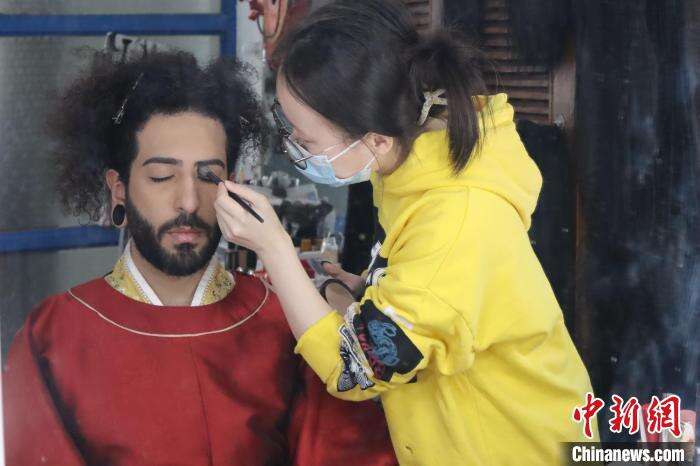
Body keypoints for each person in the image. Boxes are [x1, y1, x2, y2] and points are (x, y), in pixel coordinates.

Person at [212, 0, 599, 464]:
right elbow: (433, 303)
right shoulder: (411, 171)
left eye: (307, 140)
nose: (295, 147)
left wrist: (274, 247)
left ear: (376, 139)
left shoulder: (456, 221)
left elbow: (354, 369)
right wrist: (370, 294)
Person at [2, 50, 396, 466]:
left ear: (232, 186)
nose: (188, 201)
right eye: (161, 177)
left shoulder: (286, 322)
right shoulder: (55, 335)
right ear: (119, 190)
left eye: (209, 176)